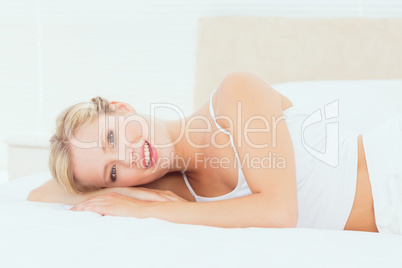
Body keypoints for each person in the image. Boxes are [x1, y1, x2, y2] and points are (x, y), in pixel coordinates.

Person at [27, 71, 401, 234]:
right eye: (112, 171)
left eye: (112, 138)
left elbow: (279, 212)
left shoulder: (234, 95)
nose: (127, 157)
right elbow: (39, 195)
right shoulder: (177, 191)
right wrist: (117, 193)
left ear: (122, 108)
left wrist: (144, 209)